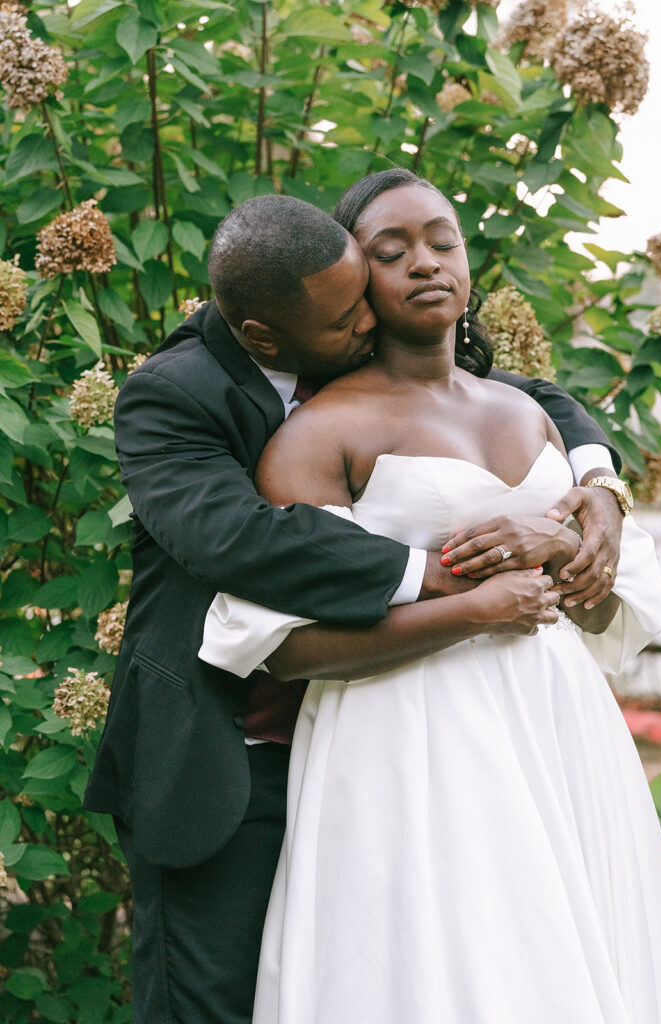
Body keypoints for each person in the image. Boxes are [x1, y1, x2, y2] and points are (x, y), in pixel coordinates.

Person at [84, 192, 629, 1024]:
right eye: (351, 320)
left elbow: (518, 393)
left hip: (384, 748)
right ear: (266, 335)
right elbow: (240, 540)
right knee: (216, 1003)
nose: (371, 326)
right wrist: (452, 574)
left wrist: (598, 482)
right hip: (234, 750)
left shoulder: (338, 338)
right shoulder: (173, 396)